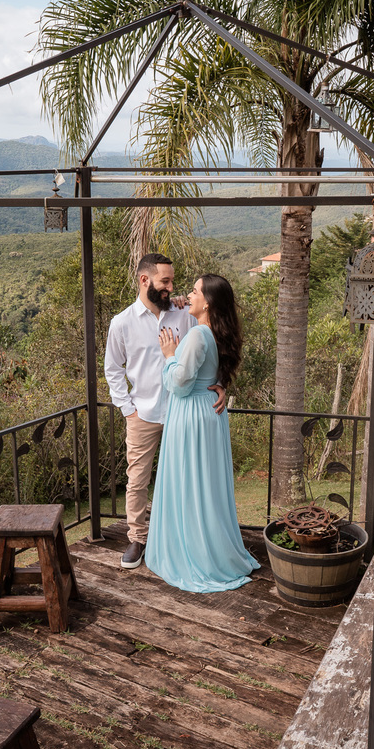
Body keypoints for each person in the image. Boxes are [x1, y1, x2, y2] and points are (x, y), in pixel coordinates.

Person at [104, 254, 225, 570]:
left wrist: (220, 382)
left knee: (184, 478)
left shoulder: (184, 314)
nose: (172, 288)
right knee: (137, 479)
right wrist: (127, 409)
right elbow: (113, 369)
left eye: (173, 281)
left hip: (182, 413)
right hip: (142, 414)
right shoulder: (122, 323)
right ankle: (138, 538)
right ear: (145, 281)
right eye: (166, 282)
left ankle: (183, 537)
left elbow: (209, 348)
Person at [145, 274, 260, 592]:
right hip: (209, 412)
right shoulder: (215, 332)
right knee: (205, 485)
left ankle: (195, 553)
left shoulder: (197, 336)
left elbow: (179, 384)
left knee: (190, 483)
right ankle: (212, 547)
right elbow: (214, 367)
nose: (188, 294)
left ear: (207, 302)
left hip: (191, 414)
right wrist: (221, 385)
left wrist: (169, 354)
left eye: (194, 291)